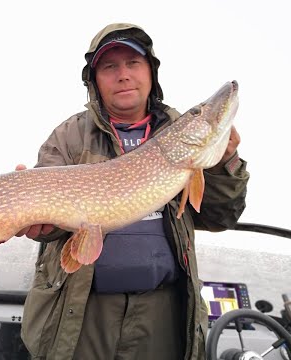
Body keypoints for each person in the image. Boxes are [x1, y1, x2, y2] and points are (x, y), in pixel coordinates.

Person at [16, 23, 249, 360]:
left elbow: (220, 216)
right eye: (110, 67)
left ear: (151, 73)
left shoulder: (177, 133)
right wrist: (43, 224)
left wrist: (226, 163)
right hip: (82, 312)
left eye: (133, 63)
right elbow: (49, 224)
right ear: (94, 81)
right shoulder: (68, 135)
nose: (123, 75)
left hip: (162, 312)